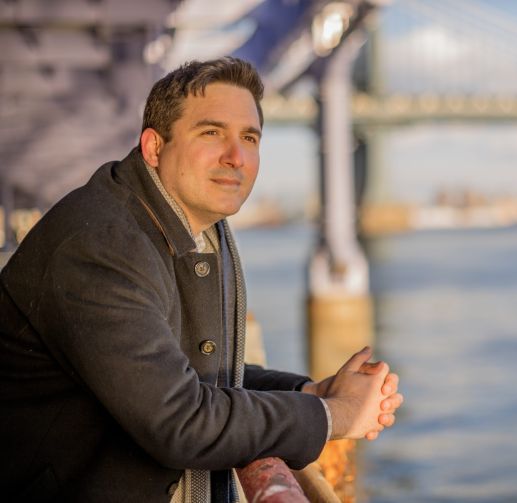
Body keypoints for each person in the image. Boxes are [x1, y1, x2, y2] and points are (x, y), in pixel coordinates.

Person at [0, 57, 403, 502]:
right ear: (154, 147)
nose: (236, 157)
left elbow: (190, 370)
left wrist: (309, 393)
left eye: (249, 138)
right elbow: (180, 421)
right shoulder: (100, 245)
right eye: (211, 133)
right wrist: (334, 415)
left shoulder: (189, 226)